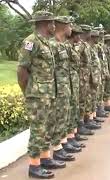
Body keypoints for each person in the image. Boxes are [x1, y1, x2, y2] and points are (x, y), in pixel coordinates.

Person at [17, 11, 65, 179]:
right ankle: (34, 166)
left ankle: (45, 158)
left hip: (48, 93)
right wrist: (28, 92)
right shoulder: (31, 42)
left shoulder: (45, 42)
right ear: (45, 24)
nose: (54, 26)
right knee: (38, 129)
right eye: (52, 23)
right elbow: (22, 70)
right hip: (37, 96)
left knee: (47, 127)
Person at [50, 16, 81, 164]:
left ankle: (63, 143)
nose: (71, 29)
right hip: (56, 89)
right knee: (58, 118)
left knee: (65, 116)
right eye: (69, 26)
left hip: (66, 86)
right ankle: (57, 149)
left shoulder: (63, 45)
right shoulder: (53, 44)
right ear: (63, 26)